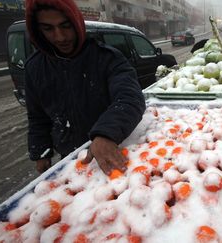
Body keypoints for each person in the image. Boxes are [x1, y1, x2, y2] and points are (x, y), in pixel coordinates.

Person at [24, 0, 146, 175]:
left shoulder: (108, 59)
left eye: (65, 26)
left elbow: (130, 98)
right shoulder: (35, 68)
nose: (60, 37)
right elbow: (37, 117)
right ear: (38, 30)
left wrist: (106, 134)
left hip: (113, 148)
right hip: (72, 158)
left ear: (76, 23)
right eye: (48, 29)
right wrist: (41, 153)